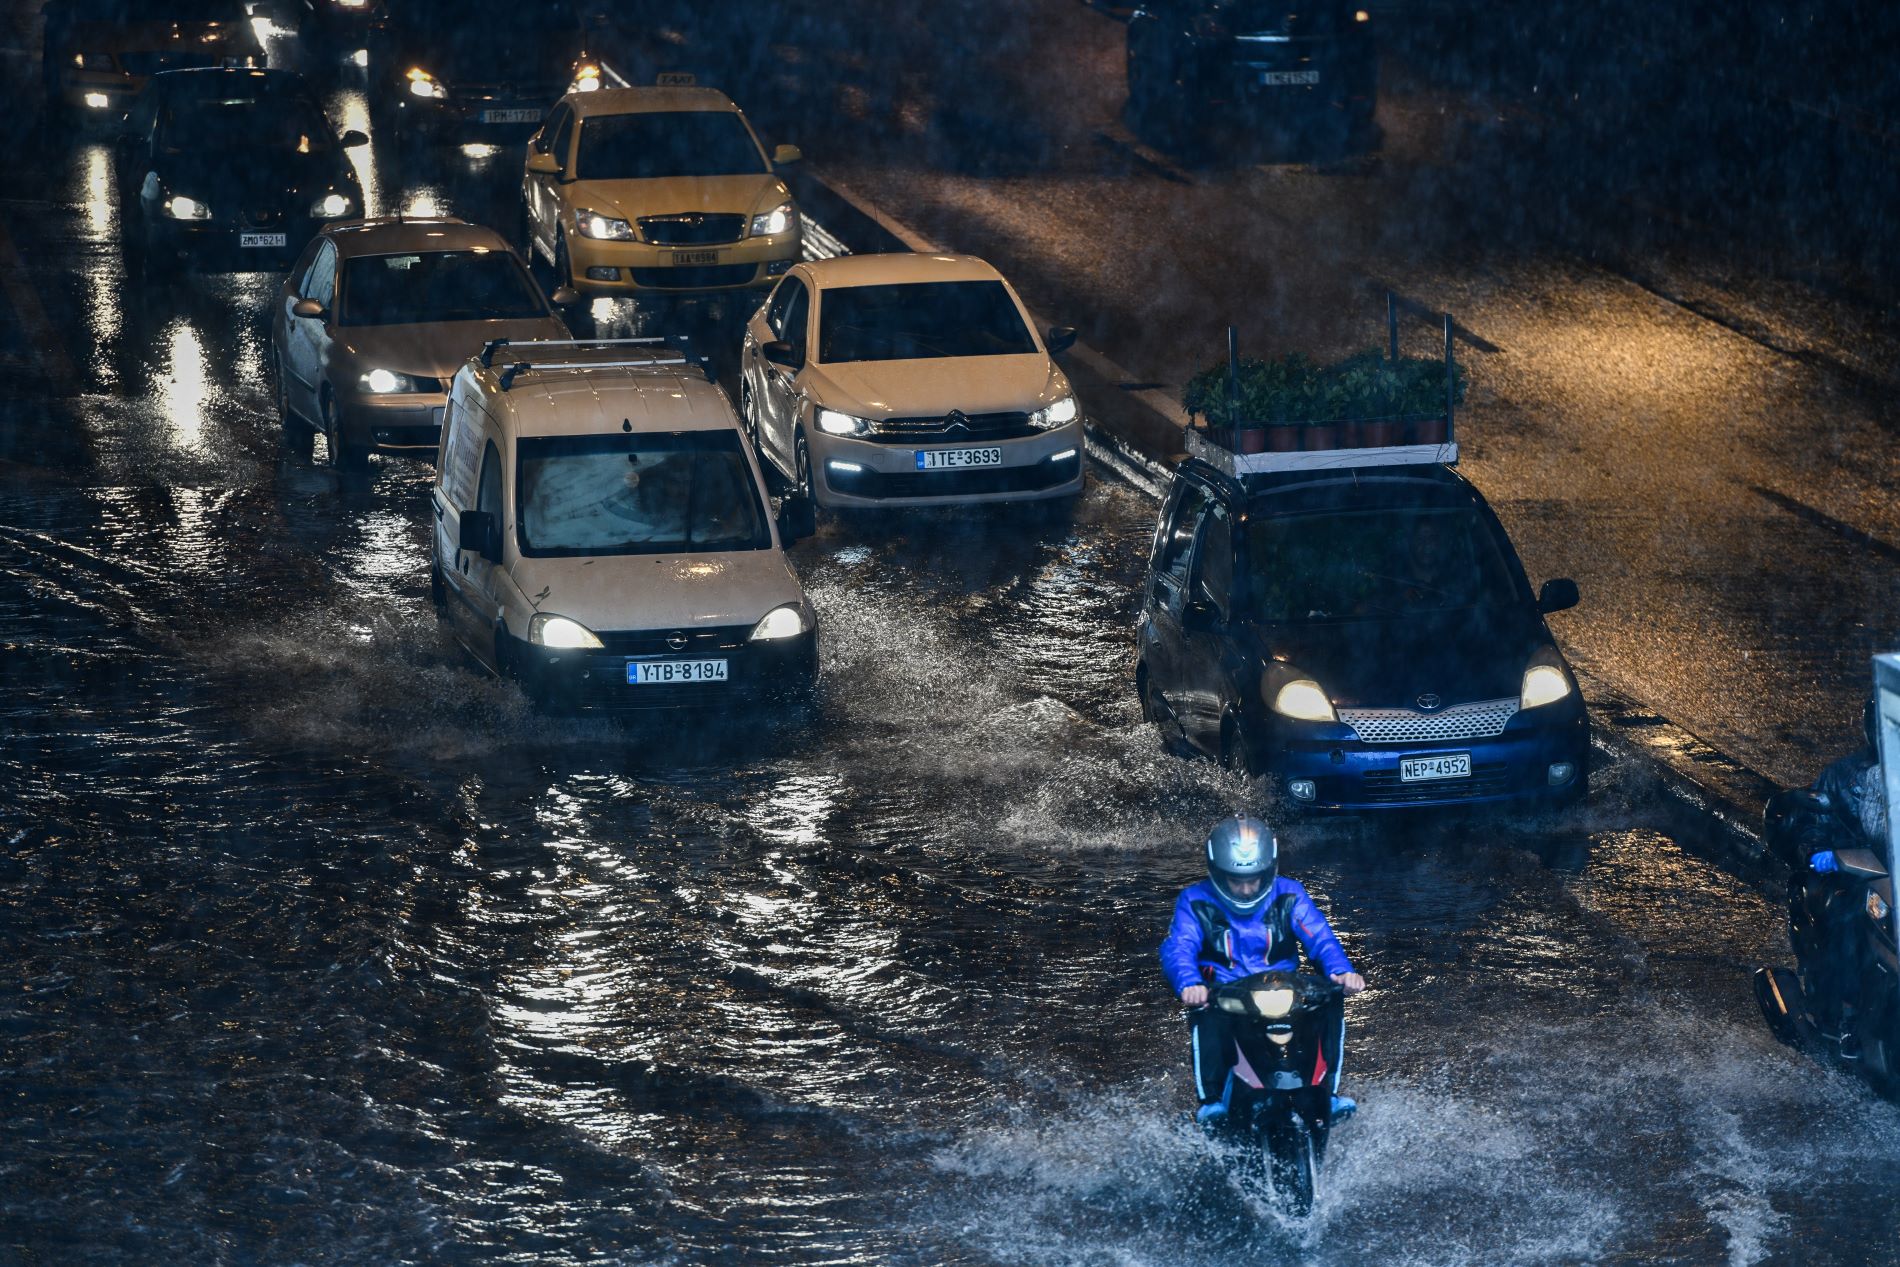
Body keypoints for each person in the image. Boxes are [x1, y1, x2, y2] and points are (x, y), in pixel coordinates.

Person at [1159, 813, 1365, 1126]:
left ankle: (1330, 1092)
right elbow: (1179, 947)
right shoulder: (1194, 900)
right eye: (1236, 881)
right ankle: (1210, 1101)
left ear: (1268, 870)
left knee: (1331, 998)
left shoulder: (1290, 894)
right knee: (1203, 1012)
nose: (1245, 889)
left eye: (1253, 879)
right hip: (1226, 994)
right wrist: (1189, 983)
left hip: (1285, 989)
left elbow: (1320, 938)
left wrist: (1340, 972)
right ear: (1217, 872)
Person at [1802, 698, 1890, 1058]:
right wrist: (1824, 853)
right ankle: (1846, 1015)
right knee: (1849, 917)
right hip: (1855, 876)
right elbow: (1813, 825)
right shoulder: (1841, 776)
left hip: (1893, 874)